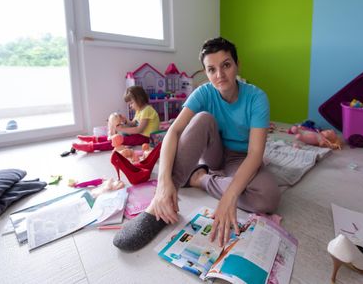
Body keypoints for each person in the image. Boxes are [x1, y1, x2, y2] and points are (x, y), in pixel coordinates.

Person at [113, 37, 280, 251]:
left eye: (226, 65)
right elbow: (173, 132)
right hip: (214, 151)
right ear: (206, 72)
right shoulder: (204, 92)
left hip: (242, 156)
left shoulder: (257, 98)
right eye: (211, 70)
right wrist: (163, 184)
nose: (219, 75)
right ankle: (160, 204)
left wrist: (229, 197)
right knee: (202, 118)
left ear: (237, 65)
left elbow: (256, 153)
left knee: (268, 198)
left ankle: (200, 178)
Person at [73, 86, 160, 152]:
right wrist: (125, 121)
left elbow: (139, 129)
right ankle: (94, 139)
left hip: (146, 138)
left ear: (139, 99)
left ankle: (92, 146)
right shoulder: (139, 110)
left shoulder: (147, 110)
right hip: (140, 135)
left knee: (118, 141)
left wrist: (123, 129)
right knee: (117, 137)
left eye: (131, 103)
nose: (130, 106)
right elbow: (134, 123)